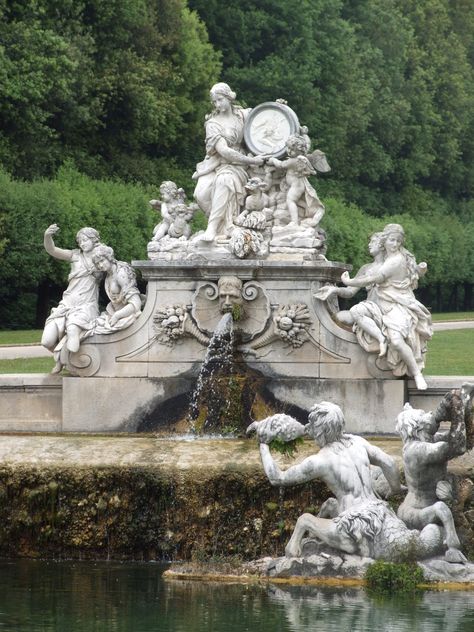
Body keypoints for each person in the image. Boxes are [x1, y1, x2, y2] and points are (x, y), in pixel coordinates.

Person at [249, 402, 444, 561]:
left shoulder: (321, 460)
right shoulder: (358, 442)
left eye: (314, 429)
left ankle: (297, 545)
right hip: (382, 513)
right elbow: (389, 462)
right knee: (331, 505)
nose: (311, 433)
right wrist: (395, 489)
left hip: (354, 524)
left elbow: (277, 478)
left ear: (320, 431)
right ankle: (316, 539)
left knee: (304, 520)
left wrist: (263, 444)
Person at [341, 223, 432, 390]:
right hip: (382, 303)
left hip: (397, 304)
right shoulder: (390, 258)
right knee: (356, 311)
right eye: (392, 240)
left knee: (397, 341)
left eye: (398, 241)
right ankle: (381, 339)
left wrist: (350, 281)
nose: (395, 244)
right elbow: (414, 271)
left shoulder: (396, 260)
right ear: (385, 241)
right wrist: (420, 269)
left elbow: (374, 278)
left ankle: (417, 373)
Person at [396, 385, 474, 564]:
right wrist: (457, 405)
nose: (430, 414)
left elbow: (463, 440)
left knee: (442, 506)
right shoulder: (416, 450)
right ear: (416, 426)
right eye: (424, 415)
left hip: (428, 507)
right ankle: (453, 547)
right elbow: (457, 446)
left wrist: (465, 405)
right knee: (440, 508)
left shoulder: (430, 440)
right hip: (413, 512)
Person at [193, 83, 265, 242]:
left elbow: (265, 118)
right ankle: (226, 225)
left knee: (224, 181)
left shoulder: (243, 116)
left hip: (237, 167)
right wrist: (252, 160)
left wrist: (279, 107)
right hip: (219, 162)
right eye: (214, 102)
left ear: (229, 97)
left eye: (220, 100)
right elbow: (224, 151)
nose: (217, 105)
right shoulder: (212, 124)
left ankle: (212, 228)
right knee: (200, 194)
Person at [314, 232, 387, 357]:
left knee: (355, 311)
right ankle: (346, 353)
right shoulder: (366, 268)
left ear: (382, 246)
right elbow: (350, 292)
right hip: (370, 308)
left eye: (373, 242)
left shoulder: (390, 266)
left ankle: (381, 340)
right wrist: (334, 290)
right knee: (339, 317)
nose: (369, 245)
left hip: (385, 308)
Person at [41, 224, 102, 372]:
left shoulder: (101, 258)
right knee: (47, 341)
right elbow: (52, 250)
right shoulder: (74, 255)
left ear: (94, 240)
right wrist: (47, 236)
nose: (82, 243)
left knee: (73, 333)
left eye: (85, 240)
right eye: (80, 241)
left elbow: (114, 273)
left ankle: (64, 362)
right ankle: (62, 358)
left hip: (86, 305)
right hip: (67, 303)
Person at [267, 134, 324, 227]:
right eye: (288, 148)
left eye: (292, 150)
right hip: (297, 184)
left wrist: (273, 160)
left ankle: (294, 222)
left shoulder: (293, 161)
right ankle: (303, 211)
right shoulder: (300, 158)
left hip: (296, 186)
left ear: (300, 151)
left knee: (290, 200)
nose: (289, 151)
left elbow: (281, 165)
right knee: (294, 200)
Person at [90, 245, 142, 332]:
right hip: (112, 312)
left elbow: (136, 304)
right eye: (98, 263)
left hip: (124, 315)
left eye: (102, 260)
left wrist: (117, 315)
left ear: (109, 258)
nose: (100, 265)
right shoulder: (108, 274)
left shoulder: (121, 273)